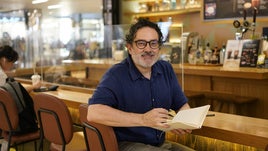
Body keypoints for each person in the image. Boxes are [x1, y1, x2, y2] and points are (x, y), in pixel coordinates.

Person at [87, 19, 194, 151]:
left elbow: (182, 104)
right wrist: (143, 119)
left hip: (159, 144)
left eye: (153, 43)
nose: (148, 49)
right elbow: (93, 112)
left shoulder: (166, 69)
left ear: (159, 48)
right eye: (141, 43)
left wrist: (183, 120)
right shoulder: (116, 74)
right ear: (130, 48)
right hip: (125, 145)